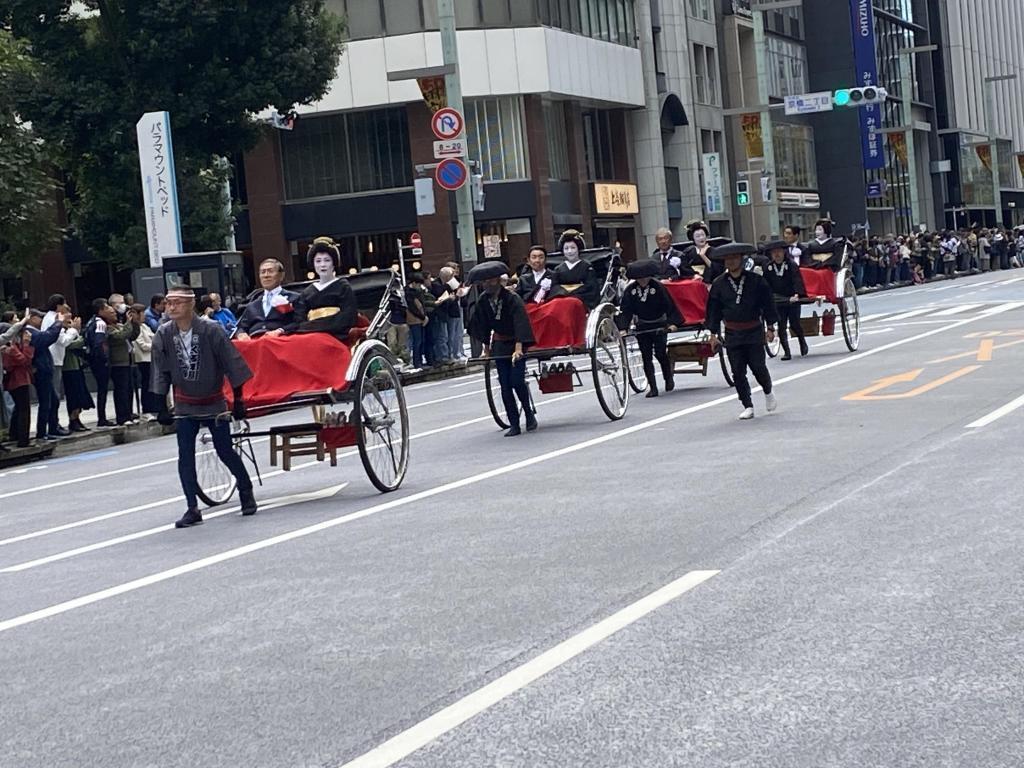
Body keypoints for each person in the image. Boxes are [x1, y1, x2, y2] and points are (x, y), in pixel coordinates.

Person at [151, 286, 257, 528]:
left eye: (177, 302)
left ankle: (245, 488)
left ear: (190, 305)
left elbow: (232, 365)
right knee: (185, 457)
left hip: (213, 400)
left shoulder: (212, 330)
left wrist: (238, 401)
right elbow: (160, 370)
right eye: (169, 303)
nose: (171, 307)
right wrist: (161, 405)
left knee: (225, 450)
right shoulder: (163, 334)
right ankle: (192, 507)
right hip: (185, 404)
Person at [705, 243, 778, 420]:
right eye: (727, 259)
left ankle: (768, 391)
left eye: (734, 258)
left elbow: (768, 304)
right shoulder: (719, 284)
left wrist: (770, 327)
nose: (730, 262)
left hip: (753, 329)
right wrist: (713, 334)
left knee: (758, 367)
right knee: (737, 371)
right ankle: (747, 404)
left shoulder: (756, 280)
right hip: (732, 332)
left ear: (741, 259)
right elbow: (713, 310)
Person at [468, 261, 537, 436]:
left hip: (516, 343)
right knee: (505, 386)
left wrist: (519, 348)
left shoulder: (512, 298)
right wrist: (486, 350)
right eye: (484, 282)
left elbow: (520, 322)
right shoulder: (483, 300)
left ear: (498, 280)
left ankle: (528, 413)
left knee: (516, 381)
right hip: (499, 344)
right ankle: (514, 423)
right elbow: (482, 325)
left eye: (490, 281)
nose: (487, 284)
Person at [619, 258, 683, 398]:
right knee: (645, 356)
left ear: (649, 275)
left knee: (660, 353)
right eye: (639, 278)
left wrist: (673, 324)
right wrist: (623, 327)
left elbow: (669, 306)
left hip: (659, 324)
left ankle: (668, 378)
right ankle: (653, 387)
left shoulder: (658, 287)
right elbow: (626, 310)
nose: (642, 280)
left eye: (644, 277)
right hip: (642, 325)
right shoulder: (631, 290)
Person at [294, 238, 358, 340]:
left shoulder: (343, 286)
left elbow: (348, 315)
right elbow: (299, 318)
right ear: (313, 264)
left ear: (334, 263)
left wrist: (321, 327)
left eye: (327, 260)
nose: (322, 265)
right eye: (318, 261)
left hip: (335, 335)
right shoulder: (307, 292)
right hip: (310, 335)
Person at [760, 238, 808, 360]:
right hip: (778, 300)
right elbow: (766, 285)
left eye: (779, 251)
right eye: (774, 252)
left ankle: (802, 341)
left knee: (794, 324)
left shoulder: (791, 265)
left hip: (792, 298)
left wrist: (797, 294)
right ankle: (787, 352)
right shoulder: (768, 268)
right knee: (781, 326)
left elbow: (797, 280)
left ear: (783, 252)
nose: (777, 254)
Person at [41, 293, 79, 437]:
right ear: (58, 305)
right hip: (54, 360)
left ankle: (54, 424)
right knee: (54, 395)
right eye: (64, 304)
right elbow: (62, 340)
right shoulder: (54, 318)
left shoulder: (49, 317)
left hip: (55, 359)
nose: (66, 307)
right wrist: (73, 330)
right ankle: (53, 425)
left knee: (54, 394)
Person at [26, 308, 65, 441]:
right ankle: (42, 432)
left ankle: (53, 428)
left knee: (52, 400)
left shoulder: (35, 331)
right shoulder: (30, 332)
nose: (41, 320)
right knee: (45, 402)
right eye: (39, 317)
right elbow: (47, 338)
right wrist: (58, 323)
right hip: (40, 370)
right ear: (31, 318)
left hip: (45, 369)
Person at [235, 259, 300, 339]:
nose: (266, 275)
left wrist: (280, 331)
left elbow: (299, 322)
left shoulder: (294, 298)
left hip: (281, 341)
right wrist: (241, 334)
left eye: (270, 271)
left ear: (281, 275)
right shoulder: (252, 304)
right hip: (255, 342)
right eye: (263, 272)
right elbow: (241, 327)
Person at [2, 326, 34, 447]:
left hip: (17, 379)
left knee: (19, 408)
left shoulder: (12, 346)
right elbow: (24, 360)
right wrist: (26, 344)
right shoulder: (10, 347)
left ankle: (14, 434)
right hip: (18, 380)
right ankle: (23, 439)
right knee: (24, 410)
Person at [553, 229, 600, 309]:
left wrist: (573, 294)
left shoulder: (587, 267)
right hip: (562, 298)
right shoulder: (558, 269)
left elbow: (591, 287)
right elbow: (554, 287)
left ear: (578, 249)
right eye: (566, 248)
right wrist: (564, 294)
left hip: (581, 299)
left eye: (573, 248)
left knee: (572, 303)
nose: (569, 251)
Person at [61, 325, 94, 432]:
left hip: (77, 366)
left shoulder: (73, 334)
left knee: (80, 394)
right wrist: (79, 335)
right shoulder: (64, 335)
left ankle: (77, 418)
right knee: (73, 395)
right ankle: (73, 420)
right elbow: (70, 345)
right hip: (69, 367)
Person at [131, 302, 160, 419]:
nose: (144, 316)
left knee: (152, 383)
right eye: (142, 314)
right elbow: (142, 345)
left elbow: (154, 336)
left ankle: (154, 406)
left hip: (151, 358)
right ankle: (147, 407)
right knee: (146, 383)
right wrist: (154, 345)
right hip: (143, 359)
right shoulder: (135, 328)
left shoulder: (144, 326)